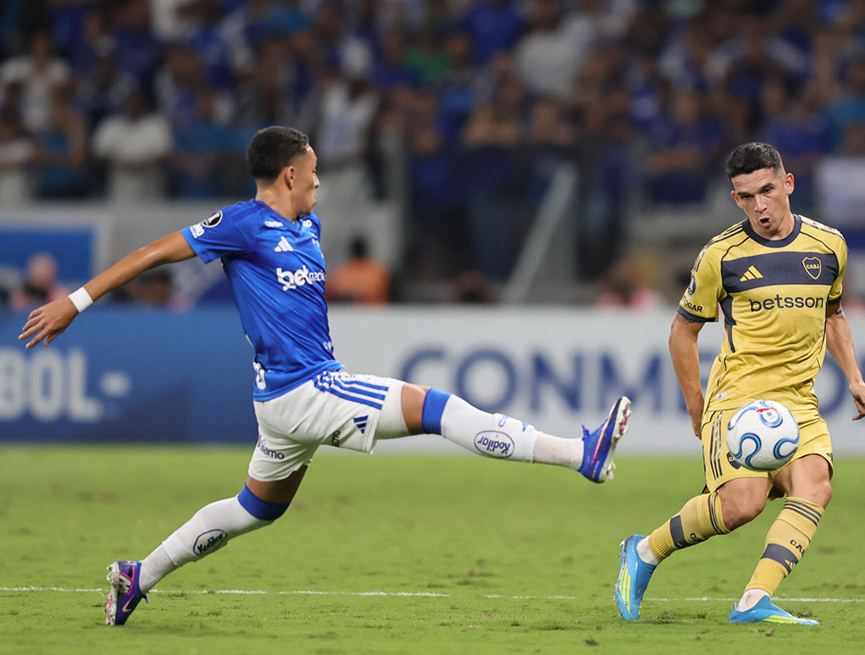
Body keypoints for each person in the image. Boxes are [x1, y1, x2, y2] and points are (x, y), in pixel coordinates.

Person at [19, 126, 630, 627]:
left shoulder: (308, 229)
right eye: (312, 171)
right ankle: (582, 453)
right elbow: (152, 254)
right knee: (438, 408)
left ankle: (138, 576)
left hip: (284, 402)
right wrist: (75, 301)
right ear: (289, 174)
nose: (318, 181)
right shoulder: (242, 223)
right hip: (303, 387)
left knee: (256, 509)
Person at [614, 142, 865, 626]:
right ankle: (644, 551)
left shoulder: (828, 245)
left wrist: (855, 378)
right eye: (745, 197)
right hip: (738, 401)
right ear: (734, 198)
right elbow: (683, 329)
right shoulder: (722, 255)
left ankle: (754, 599)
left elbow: (833, 314)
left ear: (788, 184)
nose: (759, 206)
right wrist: (696, 404)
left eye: (766, 191)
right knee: (742, 506)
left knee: (815, 486)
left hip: (798, 401)